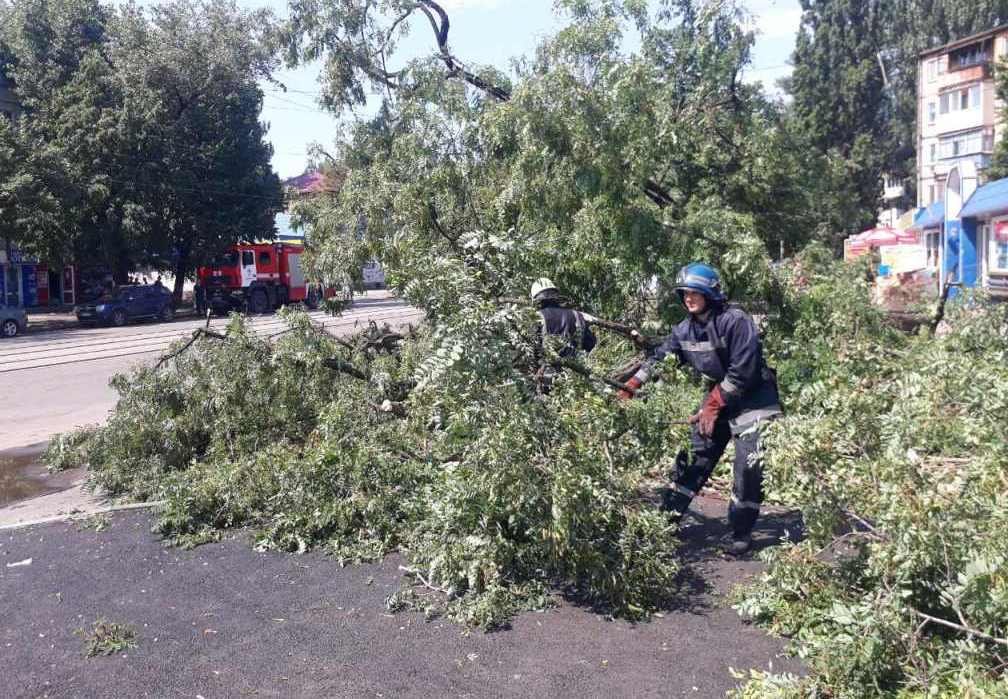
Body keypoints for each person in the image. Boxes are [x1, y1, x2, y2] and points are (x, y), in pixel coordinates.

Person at [618, 263, 781, 555]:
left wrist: (713, 404)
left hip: (755, 400)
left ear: (711, 293)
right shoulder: (684, 330)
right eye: (684, 293)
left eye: (695, 292)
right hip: (719, 399)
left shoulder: (735, 320)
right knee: (694, 456)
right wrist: (632, 384)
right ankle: (665, 521)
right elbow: (660, 359)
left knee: (749, 467)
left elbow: (743, 371)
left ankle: (741, 531)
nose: (688, 298)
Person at [531, 278, 597, 358]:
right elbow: (590, 344)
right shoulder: (577, 315)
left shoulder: (537, 317)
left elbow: (534, 349)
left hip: (548, 367)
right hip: (577, 367)